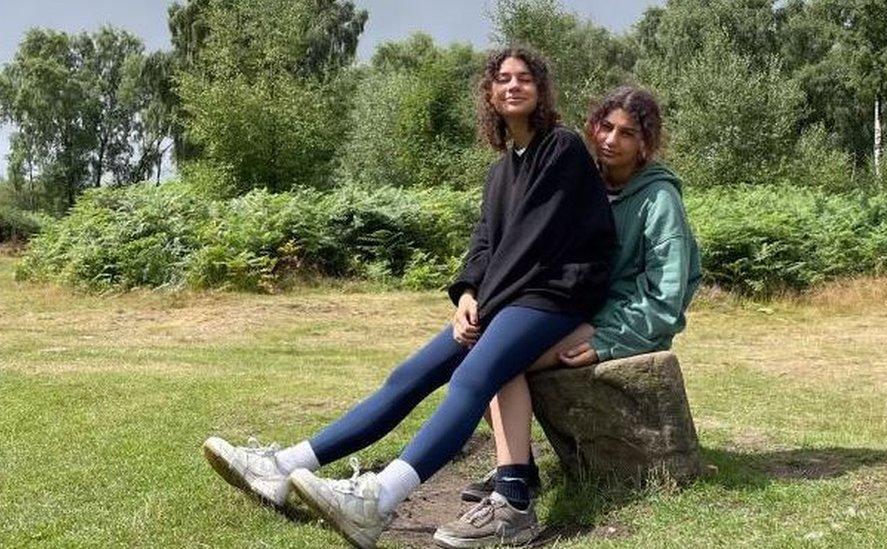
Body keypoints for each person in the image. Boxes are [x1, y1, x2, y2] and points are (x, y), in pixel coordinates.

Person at [201, 47, 616, 549]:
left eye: (524, 78)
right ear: (489, 93)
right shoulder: (500, 172)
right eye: (502, 79)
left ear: (540, 90)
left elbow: (536, 241)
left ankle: (377, 500)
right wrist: (466, 294)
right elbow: (486, 243)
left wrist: (487, 305)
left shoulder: (563, 149)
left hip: (556, 294)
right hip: (507, 296)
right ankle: (285, 465)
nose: (512, 86)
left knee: (473, 374)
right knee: (410, 376)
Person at [432, 86, 702, 548]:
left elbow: (668, 297)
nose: (611, 139)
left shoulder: (659, 201)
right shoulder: (580, 180)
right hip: (565, 310)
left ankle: (514, 498)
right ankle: (518, 470)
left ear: (645, 143)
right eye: (604, 126)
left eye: (627, 133)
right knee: (490, 344)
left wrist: (610, 341)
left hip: (618, 323)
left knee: (499, 360)